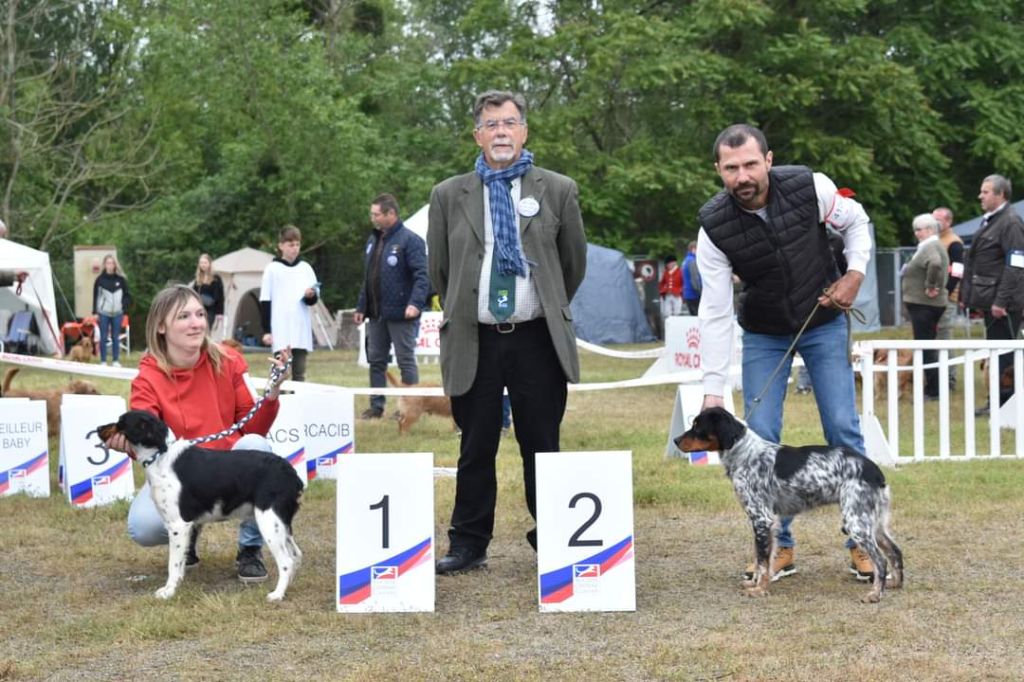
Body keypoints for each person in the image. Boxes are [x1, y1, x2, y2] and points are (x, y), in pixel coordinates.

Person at [697, 123, 876, 582]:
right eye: (731, 168)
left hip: (824, 322)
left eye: (751, 164)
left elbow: (856, 222)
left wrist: (854, 274)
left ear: (769, 160)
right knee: (759, 436)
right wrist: (712, 392)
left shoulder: (809, 186)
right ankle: (780, 547)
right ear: (718, 170)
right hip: (763, 332)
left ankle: (861, 542)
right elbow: (714, 312)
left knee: (843, 428)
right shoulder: (713, 227)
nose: (743, 176)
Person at [428, 90, 587, 574]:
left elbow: (571, 266)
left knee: (542, 442)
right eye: (491, 123)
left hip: (535, 338)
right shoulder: (447, 194)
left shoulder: (558, 189)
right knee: (476, 445)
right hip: (474, 338)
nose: (501, 131)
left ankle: (556, 534)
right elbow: (440, 270)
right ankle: (469, 541)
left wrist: (542, 303)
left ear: (524, 132)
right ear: (477, 135)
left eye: (510, 122)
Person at [106, 285, 287, 582]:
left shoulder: (228, 361)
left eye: (200, 314)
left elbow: (253, 428)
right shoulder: (147, 379)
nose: (196, 323)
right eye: (184, 316)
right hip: (180, 476)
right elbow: (144, 438)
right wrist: (124, 444)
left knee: (257, 445)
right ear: (161, 326)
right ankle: (187, 536)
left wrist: (272, 395)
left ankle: (250, 549)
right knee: (143, 526)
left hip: (228, 468)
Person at [354, 194, 429, 419]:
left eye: (376, 214)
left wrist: (415, 303)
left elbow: (422, 276)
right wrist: (361, 307)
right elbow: (368, 278)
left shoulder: (411, 240)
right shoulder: (373, 241)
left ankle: (408, 407)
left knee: (405, 360)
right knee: (376, 360)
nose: (372, 218)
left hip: (402, 313)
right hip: (377, 314)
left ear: (391, 214)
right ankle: (376, 406)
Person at [960, 174, 1024, 415]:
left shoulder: (1010, 222)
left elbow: (1016, 265)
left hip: (1003, 303)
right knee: (996, 354)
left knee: (1005, 356)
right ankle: (996, 402)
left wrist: (1001, 301)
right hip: (990, 298)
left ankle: (1005, 406)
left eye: (986, 192)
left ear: (1000, 195)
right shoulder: (991, 221)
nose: (980, 196)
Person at [259, 225, 319, 382]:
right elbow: (265, 300)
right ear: (281, 246)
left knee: (299, 373)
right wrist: (266, 330)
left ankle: (299, 403)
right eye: (291, 245)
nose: (295, 248)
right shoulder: (272, 269)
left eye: (297, 244)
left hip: (300, 327)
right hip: (281, 328)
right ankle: (279, 403)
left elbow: (312, 301)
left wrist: (310, 295)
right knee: (280, 373)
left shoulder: (306, 268)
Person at [902, 213, 949, 399]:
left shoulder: (930, 246)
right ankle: (932, 386)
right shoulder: (932, 245)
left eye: (919, 229)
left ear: (930, 230)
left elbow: (935, 264)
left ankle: (933, 390)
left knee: (926, 346)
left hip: (925, 304)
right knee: (927, 346)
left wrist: (931, 286)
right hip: (925, 305)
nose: (916, 233)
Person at [92, 254, 130, 367]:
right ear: (105, 265)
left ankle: (115, 360)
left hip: (118, 313)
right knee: (103, 337)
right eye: (108, 263)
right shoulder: (99, 280)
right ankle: (103, 360)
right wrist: (94, 312)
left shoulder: (121, 279)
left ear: (115, 265)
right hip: (103, 313)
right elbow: (95, 296)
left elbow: (127, 295)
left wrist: (123, 306)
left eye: (112, 263)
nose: (110, 265)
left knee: (115, 336)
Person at [192, 253, 225, 339]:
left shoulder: (216, 278)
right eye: (201, 263)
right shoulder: (198, 278)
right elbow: (193, 293)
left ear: (209, 263)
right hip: (199, 308)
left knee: (207, 329)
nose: (203, 265)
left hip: (211, 309)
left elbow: (220, 296)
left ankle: (207, 348)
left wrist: (220, 312)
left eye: (205, 262)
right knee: (199, 329)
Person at [658, 255, 683, 320]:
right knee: (667, 313)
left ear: (674, 263)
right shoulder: (666, 272)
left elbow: (684, 283)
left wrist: (681, 290)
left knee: (677, 312)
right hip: (668, 294)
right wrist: (663, 290)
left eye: (668, 264)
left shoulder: (680, 271)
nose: (667, 265)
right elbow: (662, 283)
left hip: (677, 294)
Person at [682, 241, 702, 315]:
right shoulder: (692, 261)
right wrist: (700, 292)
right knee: (698, 317)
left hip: (687, 294)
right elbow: (695, 279)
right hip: (694, 295)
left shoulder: (685, 261)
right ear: (693, 249)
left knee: (692, 317)